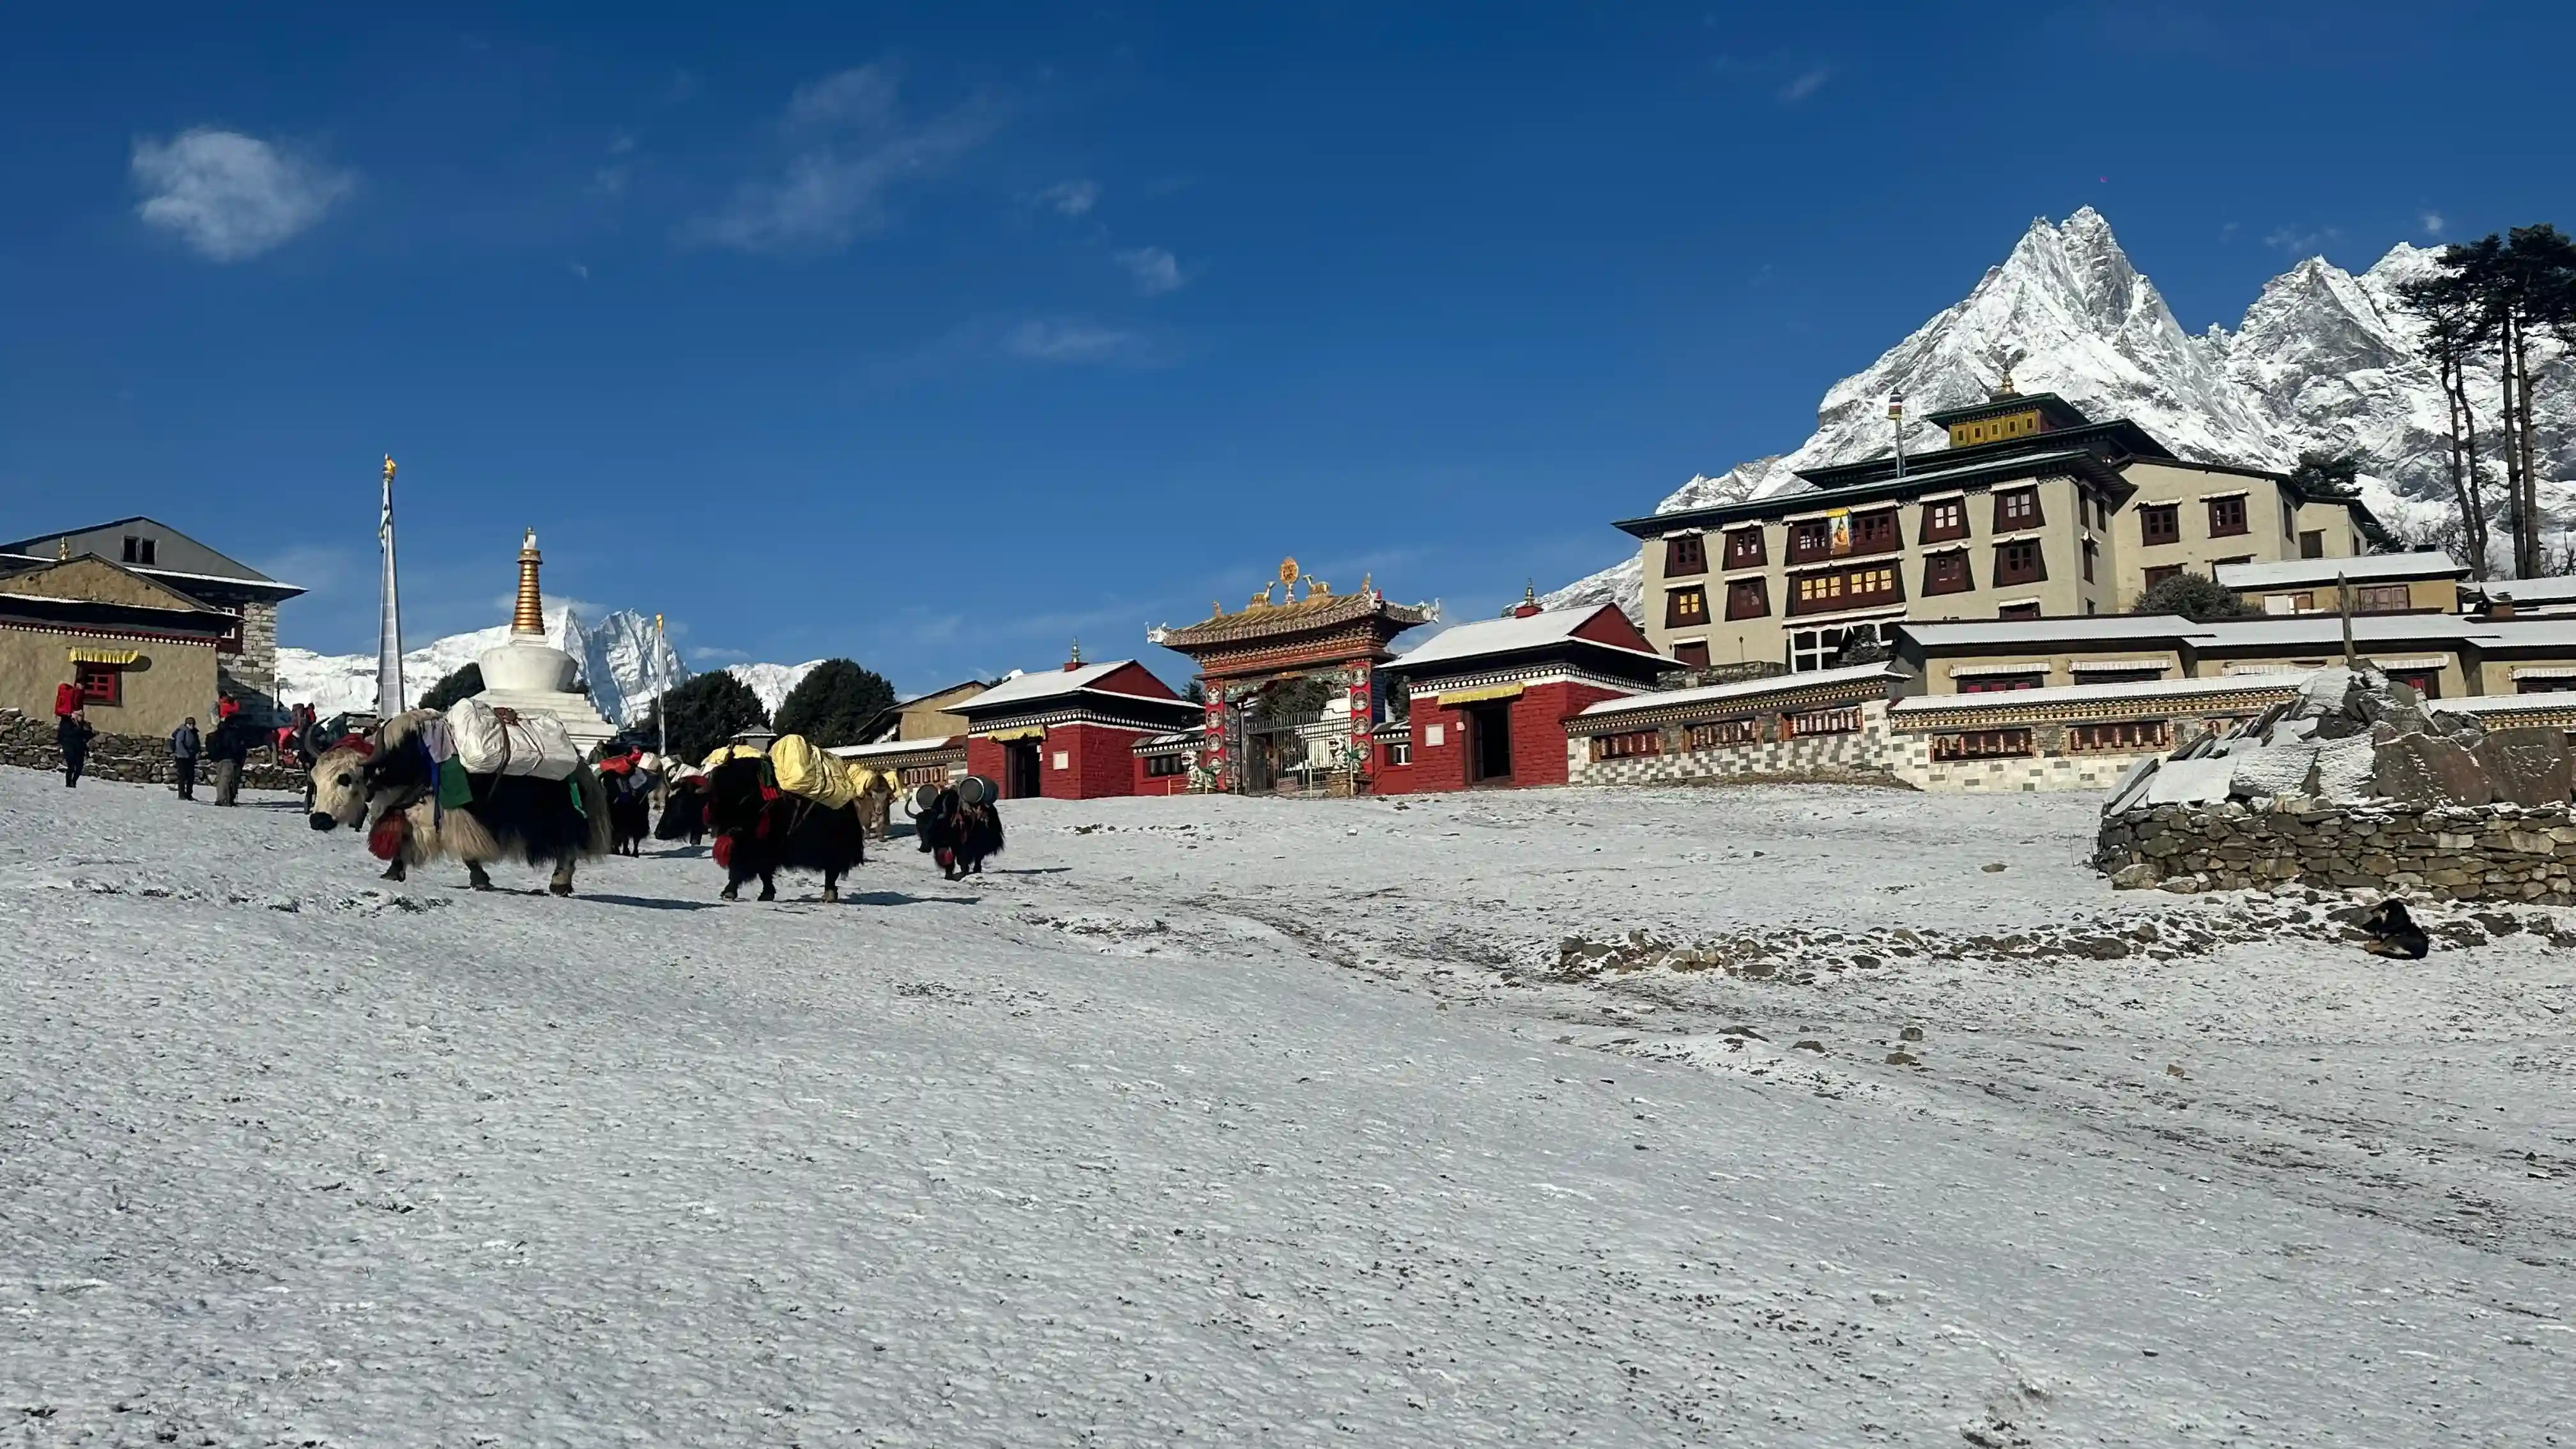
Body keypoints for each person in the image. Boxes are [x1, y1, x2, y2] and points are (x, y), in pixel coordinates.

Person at [207, 712, 250, 807]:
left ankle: (224, 799)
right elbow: (236, 747)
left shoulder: (219, 733)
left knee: (223, 779)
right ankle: (224, 800)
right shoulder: (233, 733)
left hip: (220, 759)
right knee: (228, 780)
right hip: (230, 758)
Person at [57, 709, 93, 788]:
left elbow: (88, 736)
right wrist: (78, 729)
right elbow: (66, 734)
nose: (81, 717)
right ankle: (68, 783)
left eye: (82, 716)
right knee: (71, 766)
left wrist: (88, 731)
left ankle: (74, 781)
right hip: (69, 747)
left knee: (79, 767)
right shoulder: (67, 723)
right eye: (79, 715)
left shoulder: (83, 725)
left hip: (80, 748)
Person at [170, 716, 202, 800]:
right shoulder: (182, 732)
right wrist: (186, 754)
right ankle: (182, 795)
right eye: (190, 724)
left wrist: (197, 752)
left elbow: (197, 744)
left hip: (191, 757)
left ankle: (189, 795)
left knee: (190, 777)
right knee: (182, 776)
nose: (192, 725)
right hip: (182, 757)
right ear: (186, 724)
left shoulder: (194, 733)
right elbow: (179, 744)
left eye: (193, 724)